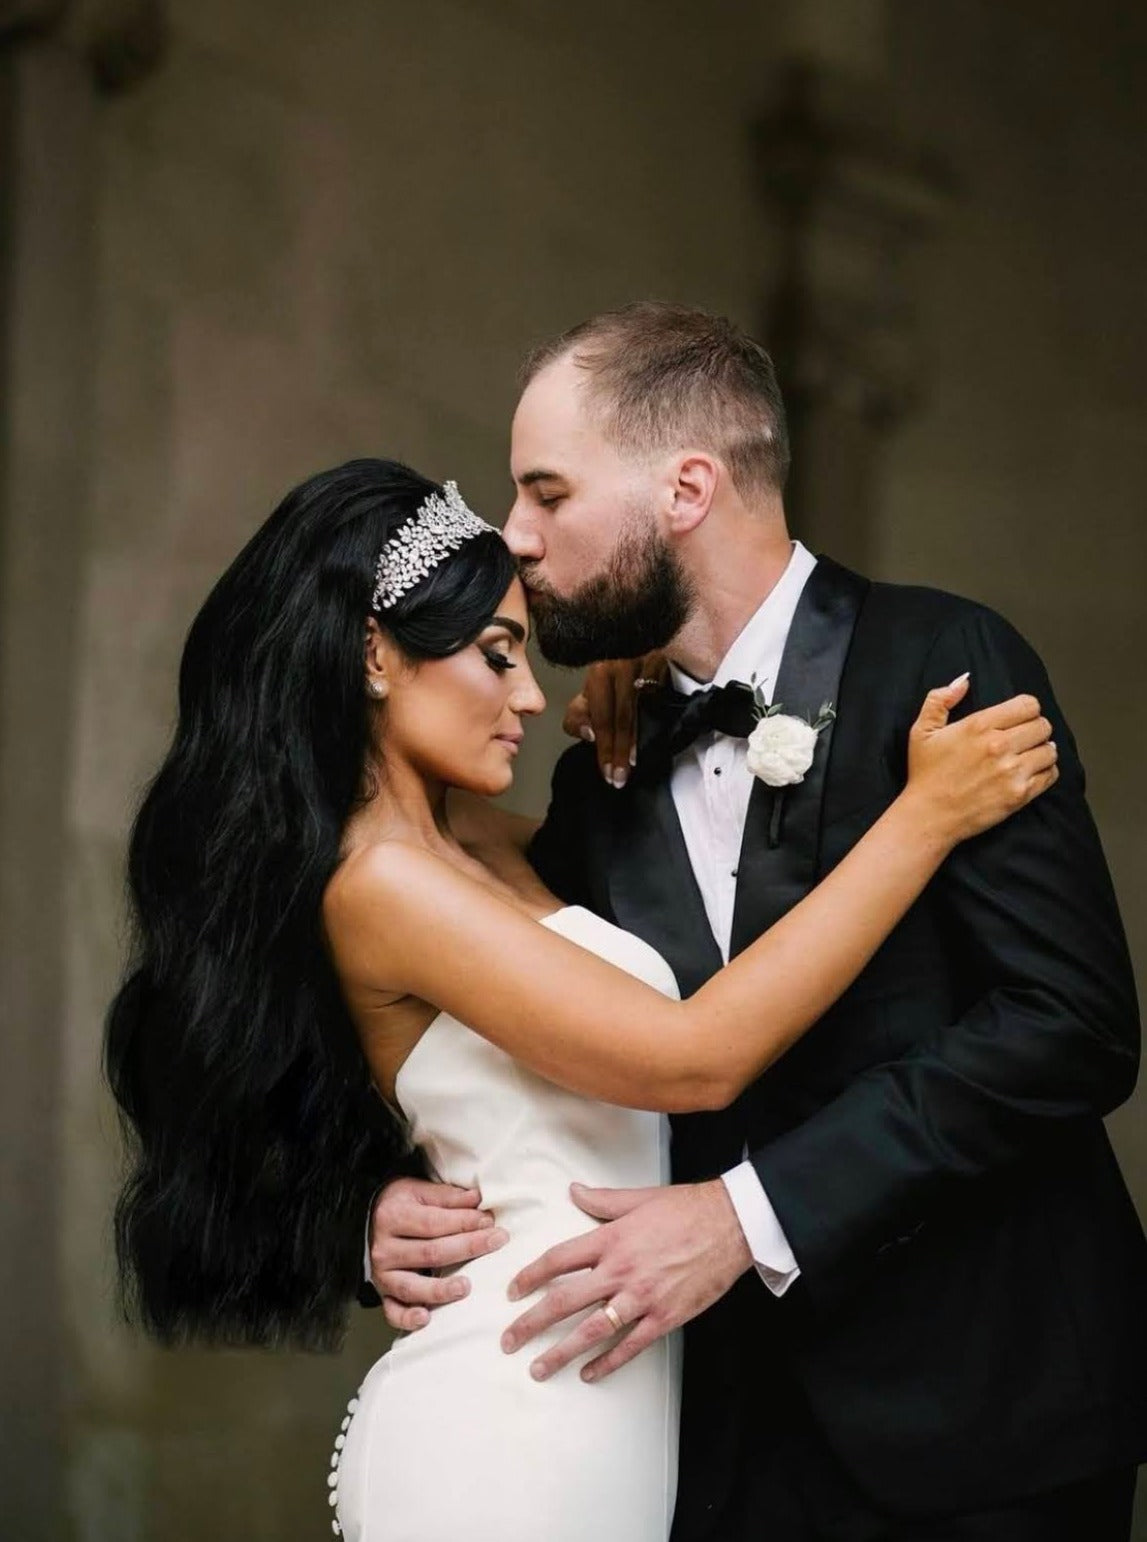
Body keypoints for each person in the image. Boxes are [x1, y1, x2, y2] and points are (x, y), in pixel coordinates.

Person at [104, 457, 1053, 1542]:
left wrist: (647, 689)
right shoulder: (380, 883)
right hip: (507, 1417)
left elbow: (644, 878)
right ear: (374, 653)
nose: (529, 695)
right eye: (497, 656)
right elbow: (695, 1058)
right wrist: (924, 819)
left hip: (599, 1414)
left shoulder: (464, 846)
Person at [367, 304, 1147, 1542]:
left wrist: (748, 1216)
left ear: (684, 488)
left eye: (546, 493)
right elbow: (518, 1038)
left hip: (985, 1420)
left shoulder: (943, 663)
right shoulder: (598, 765)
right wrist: (380, 1207)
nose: (512, 538)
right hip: (717, 1444)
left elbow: (1074, 1026)